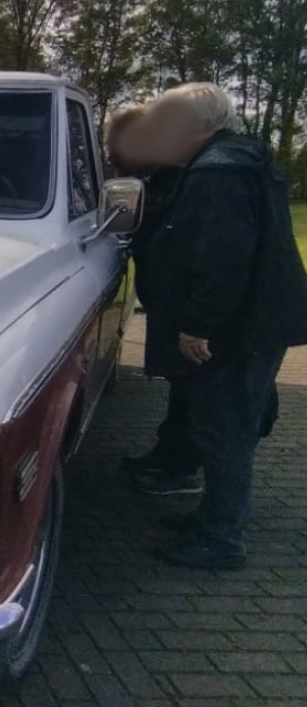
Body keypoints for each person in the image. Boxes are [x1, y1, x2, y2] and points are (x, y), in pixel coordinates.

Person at [133, 82, 307, 569]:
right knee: (219, 423)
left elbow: (221, 257)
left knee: (225, 431)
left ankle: (220, 540)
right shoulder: (232, 160)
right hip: (250, 322)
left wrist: (197, 326)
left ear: (197, 125)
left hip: (234, 329)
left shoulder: (217, 173)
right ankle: (212, 518)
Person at [106, 107, 201, 484]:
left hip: (186, 304)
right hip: (172, 300)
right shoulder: (164, 178)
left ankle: (181, 468)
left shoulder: (181, 180)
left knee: (193, 389)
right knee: (182, 387)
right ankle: (169, 453)